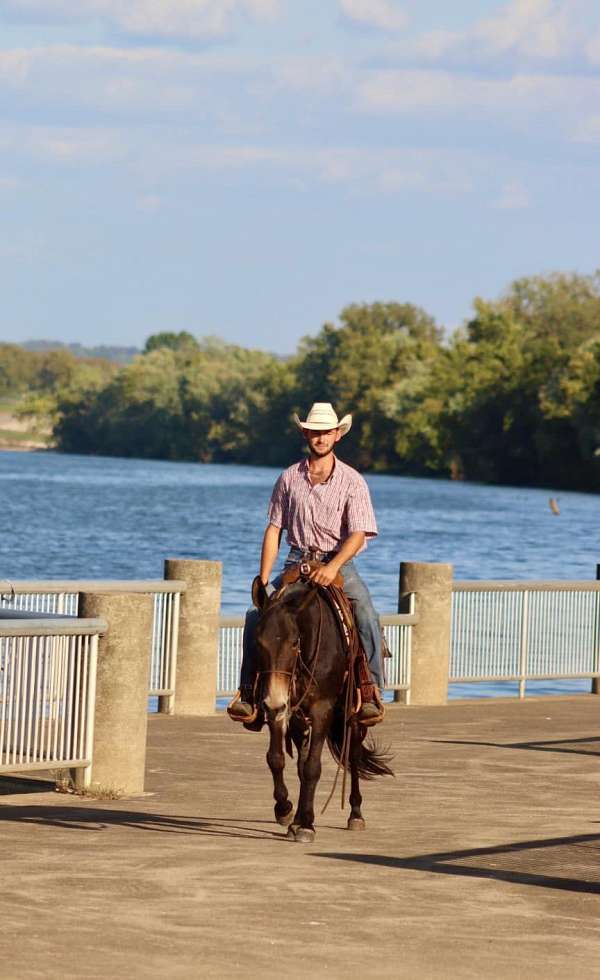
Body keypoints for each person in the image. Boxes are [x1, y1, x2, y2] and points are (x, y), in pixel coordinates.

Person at [227, 401, 384, 724]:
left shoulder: (353, 481)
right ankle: (248, 693)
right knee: (256, 614)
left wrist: (332, 566)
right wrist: (264, 578)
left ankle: (371, 691)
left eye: (326, 432)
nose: (321, 438)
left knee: (366, 612)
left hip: (337, 562)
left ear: (338, 434)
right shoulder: (288, 479)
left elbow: (358, 535)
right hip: (296, 561)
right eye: (315, 432)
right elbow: (274, 529)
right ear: (305, 434)